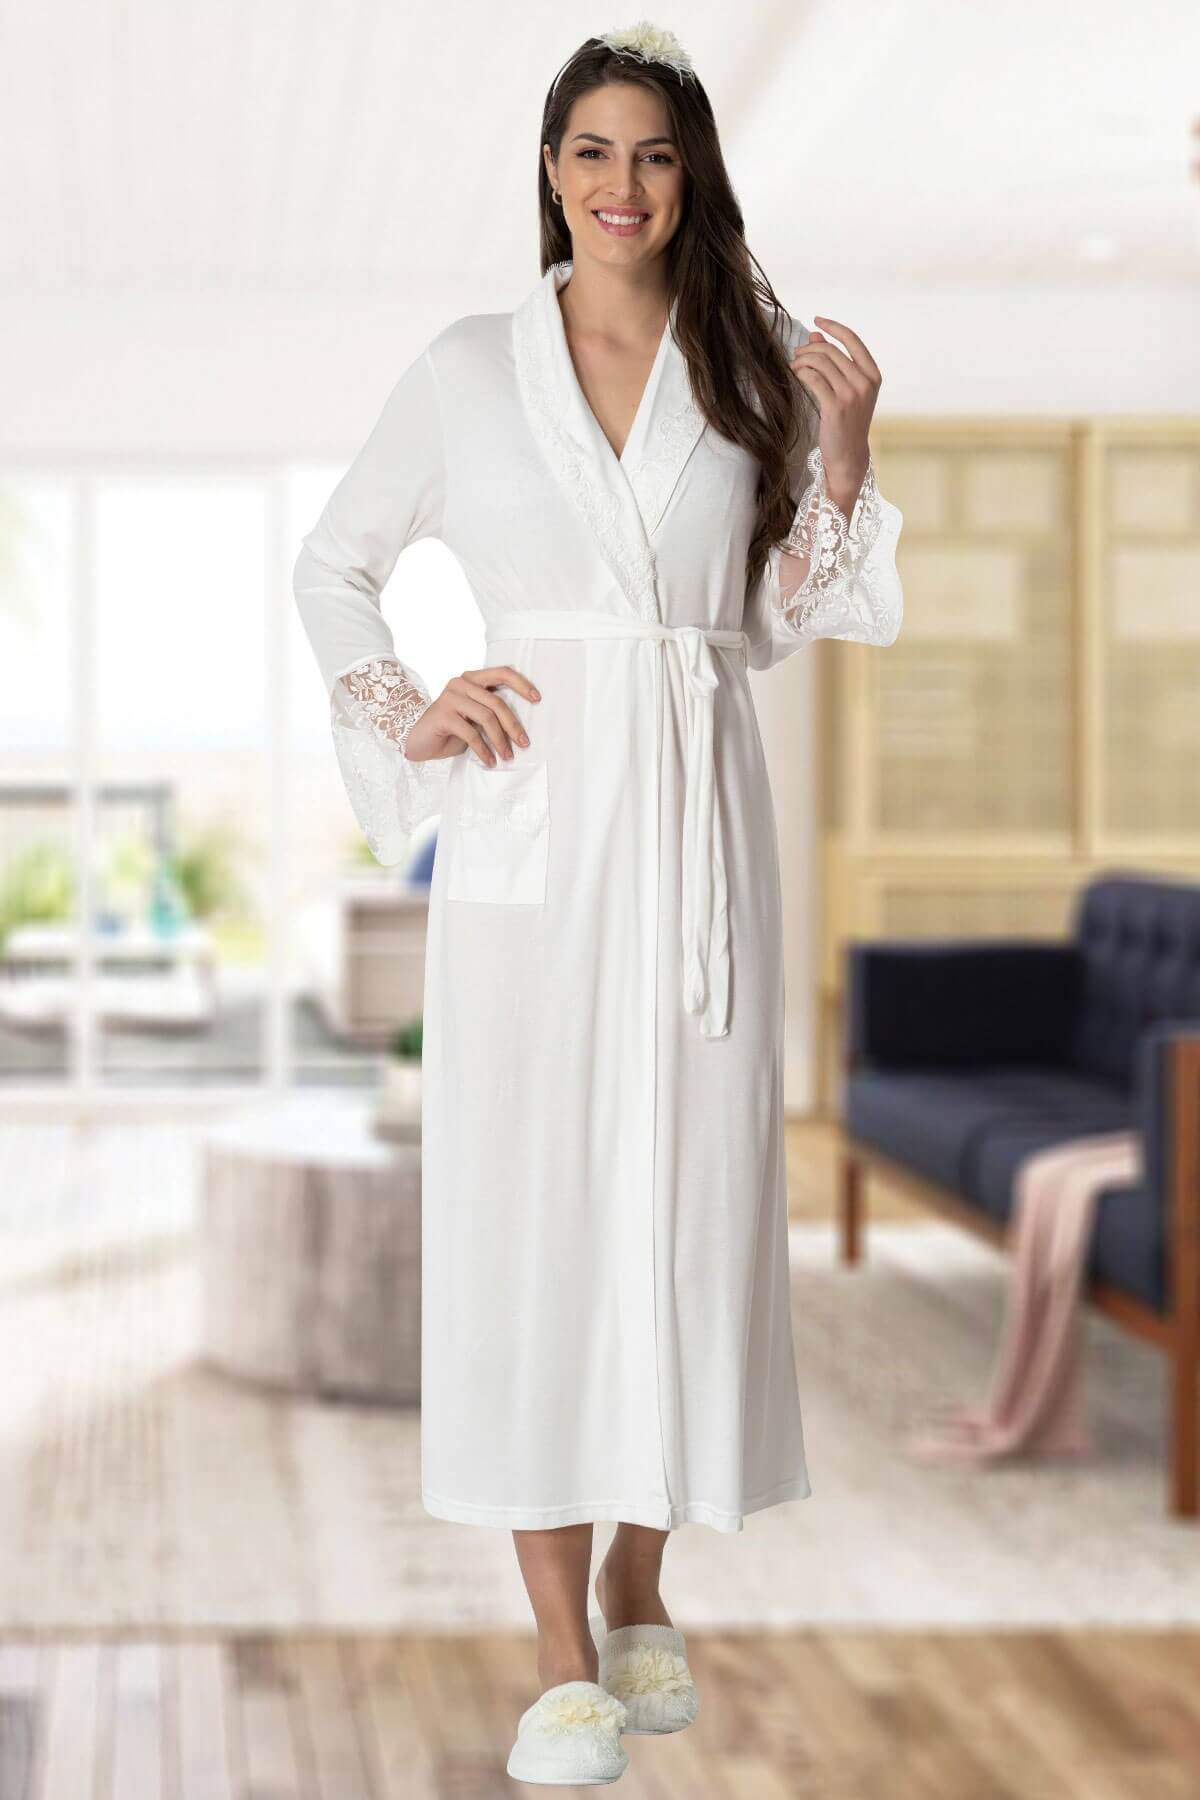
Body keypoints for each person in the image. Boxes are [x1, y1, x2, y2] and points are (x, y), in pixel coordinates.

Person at [294, 21, 903, 1785]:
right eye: (590, 151)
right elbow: (335, 566)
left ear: (691, 176)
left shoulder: (752, 365)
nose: (620, 185)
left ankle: (644, 1564)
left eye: (653, 153)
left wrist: (843, 455)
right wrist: (408, 707)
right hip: (535, 840)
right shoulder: (470, 370)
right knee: (533, 1218)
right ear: (550, 173)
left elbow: (775, 615)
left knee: (697, 1213)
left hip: (702, 830)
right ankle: (562, 1648)